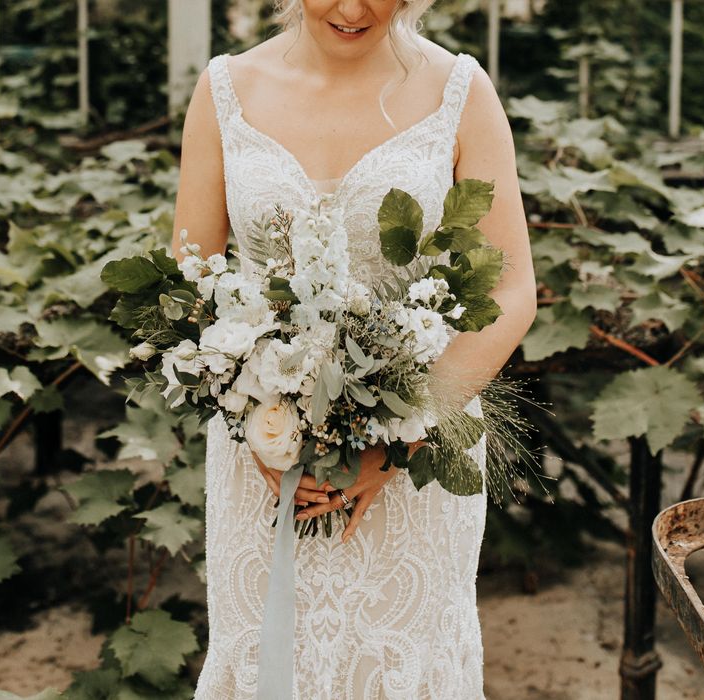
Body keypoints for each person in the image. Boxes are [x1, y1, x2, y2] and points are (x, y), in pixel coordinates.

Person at [173, 0, 536, 696]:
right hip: (263, 457)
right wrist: (259, 424)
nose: (350, 6)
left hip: (419, 456)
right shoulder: (226, 89)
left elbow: (514, 290)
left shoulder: (461, 90)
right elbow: (194, 278)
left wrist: (400, 438)